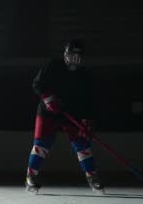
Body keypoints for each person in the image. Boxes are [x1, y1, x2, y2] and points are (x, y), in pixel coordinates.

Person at [25, 39, 104, 194]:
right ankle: (31, 176)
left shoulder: (84, 75)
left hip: (72, 114)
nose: (74, 59)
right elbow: (37, 84)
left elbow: (88, 100)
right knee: (42, 144)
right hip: (48, 112)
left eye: (78, 55)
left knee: (82, 145)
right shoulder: (53, 65)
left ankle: (92, 177)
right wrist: (49, 99)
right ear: (65, 54)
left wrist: (87, 120)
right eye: (71, 55)